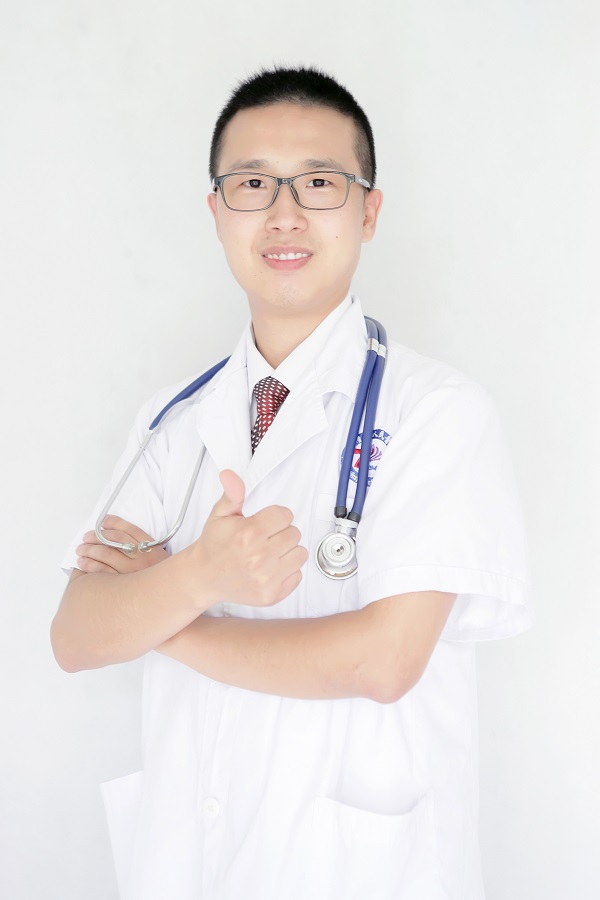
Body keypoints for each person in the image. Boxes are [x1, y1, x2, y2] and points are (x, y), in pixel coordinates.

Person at [51, 66, 533, 900]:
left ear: (368, 212)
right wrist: (200, 576)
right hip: (189, 865)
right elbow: (76, 636)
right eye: (251, 184)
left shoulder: (437, 412)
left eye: (318, 182)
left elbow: (384, 660)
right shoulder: (173, 419)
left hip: (359, 870)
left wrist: (167, 609)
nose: (284, 214)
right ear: (216, 212)